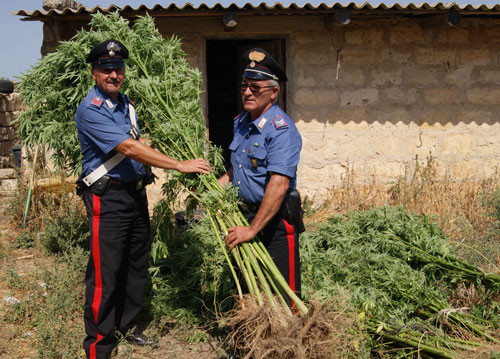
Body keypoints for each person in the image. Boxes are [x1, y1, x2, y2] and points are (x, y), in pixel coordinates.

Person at [75, 39, 211, 359]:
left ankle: (127, 326)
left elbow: (140, 141)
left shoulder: (127, 105)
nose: (113, 75)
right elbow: (130, 149)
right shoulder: (90, 109)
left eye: (118, 69)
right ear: (94, 73)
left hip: (135, 195)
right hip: (106, 199)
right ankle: (99, 346)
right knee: (106, 272)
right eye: (106, 70)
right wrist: (179, 165)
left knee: (135, 265)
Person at [219, 48, 304, 305]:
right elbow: (238, 169)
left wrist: (253, 229)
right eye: (244, 86)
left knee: (282, 295)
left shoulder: (281, 130)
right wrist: (214, 188)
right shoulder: (241, 123)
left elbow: (279, 184)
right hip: (242, 217)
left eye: (255, 88)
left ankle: (290, 342)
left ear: (273, 92)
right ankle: (252, 342)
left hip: (274, 221)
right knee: (248, 290)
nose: (247, 92)